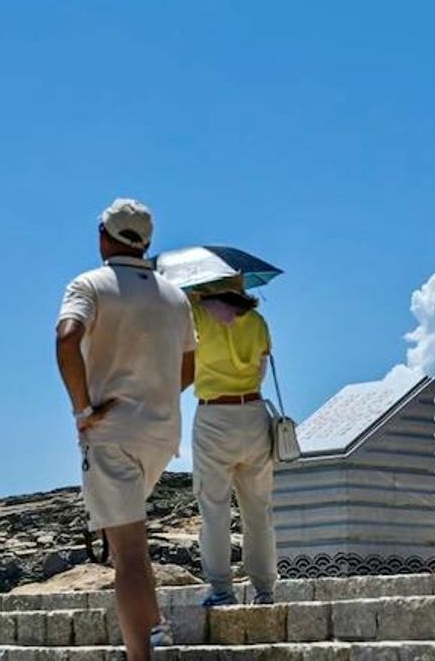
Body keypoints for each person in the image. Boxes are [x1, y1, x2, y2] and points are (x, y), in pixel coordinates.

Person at [55, 198, 196, 659]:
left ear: (103, 236)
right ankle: (151, 635)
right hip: (161, 433)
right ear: (147, 242)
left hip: (111, 430)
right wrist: (155, 394)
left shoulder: (89, 285)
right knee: (129, 544)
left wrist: (82, 411)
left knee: (129, 554)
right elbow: (190, 365)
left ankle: (147, 650)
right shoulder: (175, 295)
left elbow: (67, 338)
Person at [189, 282, 279, 607]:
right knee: (258, 509)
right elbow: (262, 368)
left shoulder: (197, 316)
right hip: (254, 413)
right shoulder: (257, 321)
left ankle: (221, 590)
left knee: (214, 508)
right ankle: (265, 590)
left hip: (214, 415)